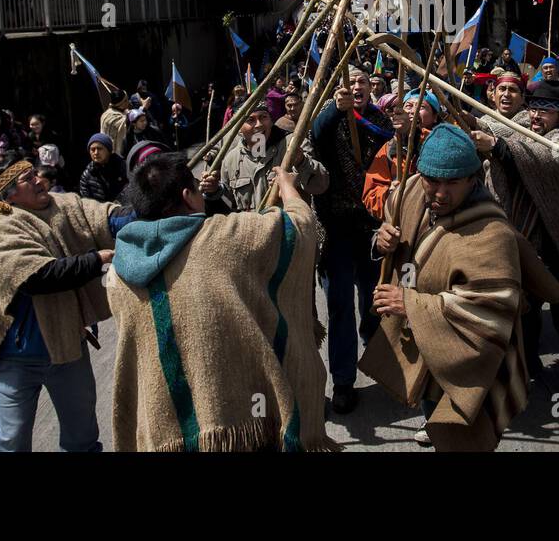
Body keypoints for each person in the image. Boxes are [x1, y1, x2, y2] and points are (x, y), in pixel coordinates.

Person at [107, 150, 336, 451]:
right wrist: (287, 186)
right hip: (241, 423)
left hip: (168, 429)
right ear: (189, 195)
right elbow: (298, 228)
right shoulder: (222, 237)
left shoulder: (116, 275)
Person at [362, 124, 526, 451]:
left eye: (452, 183)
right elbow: (385, 234)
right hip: (426, 347)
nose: (439, 192)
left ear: (472, 179)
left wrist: (410, 304)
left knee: (467, 436)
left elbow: (490, 311)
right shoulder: (409, 192)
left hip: (472, 361)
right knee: (433, 413)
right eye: (432, 180)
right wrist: (380, 243)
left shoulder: (492, 232)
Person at [0, 159, 131, 452]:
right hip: (15, 355)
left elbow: (108, 218)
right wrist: (97, 259)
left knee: (83, 438)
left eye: (35, 173)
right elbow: (40, 276)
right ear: (7, 195)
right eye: (28, 178)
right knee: (12, 441)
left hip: (66, 344)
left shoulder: (63, 205)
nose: (39, 180)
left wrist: (149, 207)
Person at [472, 81, 559, 422]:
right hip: (525, 240)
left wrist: (498, 146)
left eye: (546, 110)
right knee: (523, 314)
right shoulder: (521, 132)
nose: (537, 115)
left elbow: (550, 161)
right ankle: (523, 373)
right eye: (535, 108)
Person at [310, 66, 395, 414]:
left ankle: (377, 360)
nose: (356, 86)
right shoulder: (327, 118)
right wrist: (334, 109)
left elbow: (397, 152)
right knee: (339, 306)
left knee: (374, 303)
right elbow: (314, 139)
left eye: (362, 81)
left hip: (372, 229)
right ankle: (343, 381)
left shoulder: (379, 121)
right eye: (350, 81)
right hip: (336, 232)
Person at [200, 100, 328, 213]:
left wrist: (301, 162)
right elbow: (230, 204)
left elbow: (320, 185)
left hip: (290, 233)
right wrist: (215, 190)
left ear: (271, 120)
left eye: (263, 117)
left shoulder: (293, 145)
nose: (259, 124)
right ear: (239, 128)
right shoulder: (230, 160)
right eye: (250, 120)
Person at [362, 90, 438, 220]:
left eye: (422, 107)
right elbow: (371, 198)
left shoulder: (442, 140)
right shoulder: (389, 148)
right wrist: (389, 194)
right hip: (403, 224)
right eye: (408, 106)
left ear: (435, 117)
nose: (413, 111)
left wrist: (410, 132)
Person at [78, 134, 127, 202]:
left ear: (109, 150)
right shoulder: (87, 175)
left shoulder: (123, 168)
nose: (96, 153)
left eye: (100, 148)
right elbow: (86, 202)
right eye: (93, 149)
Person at [101, 86, 130, 154]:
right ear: (121, 103)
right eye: (126, 100)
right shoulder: (118, 118)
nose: (128, 102)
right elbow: (130, 124)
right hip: (114, 152)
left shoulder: (105, 113)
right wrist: (143, 108)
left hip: (105, 149)